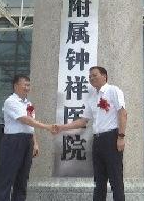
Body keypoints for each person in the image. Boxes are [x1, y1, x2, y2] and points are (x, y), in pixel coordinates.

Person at [52, 66, 127, 201]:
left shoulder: (113, 91)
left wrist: (121, 137)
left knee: (116, 180)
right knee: (99, 181)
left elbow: (122, 113)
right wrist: (62, 127)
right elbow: (83, 121)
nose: (92, 78)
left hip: (111, 138)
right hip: (97, 141)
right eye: (90, 76)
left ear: (104, 76)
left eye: (95, 75)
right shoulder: (92, 97)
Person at [0, 75, 54, 201]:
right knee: (7, 177)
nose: (27, 88)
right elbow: (25, 120)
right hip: (13, 141)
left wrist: (35, 143)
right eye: (25, 85)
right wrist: (47, 126)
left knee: (23, 178)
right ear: (16, 86)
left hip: (27, 141)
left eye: (29, 85)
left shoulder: (29, 104)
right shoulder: (10, 101)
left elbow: (30, 126)